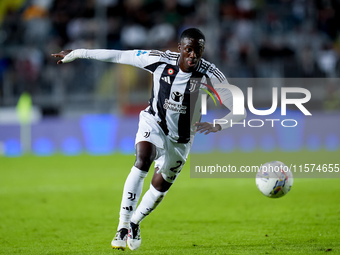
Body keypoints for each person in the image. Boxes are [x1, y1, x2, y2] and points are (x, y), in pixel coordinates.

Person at [52, 28, 246, 250]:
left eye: (198, 51)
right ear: (180, 48)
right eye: (189, 50)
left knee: (160, 186)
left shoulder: (210, 75)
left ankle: (135, 222)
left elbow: (239, 110)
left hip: (182, 139)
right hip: (153, 122)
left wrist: (219, 124)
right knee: (143, 159)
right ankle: (122, 225)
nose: (193, 55)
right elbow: (119, 56)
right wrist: (78, 53)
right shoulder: (159, 60)